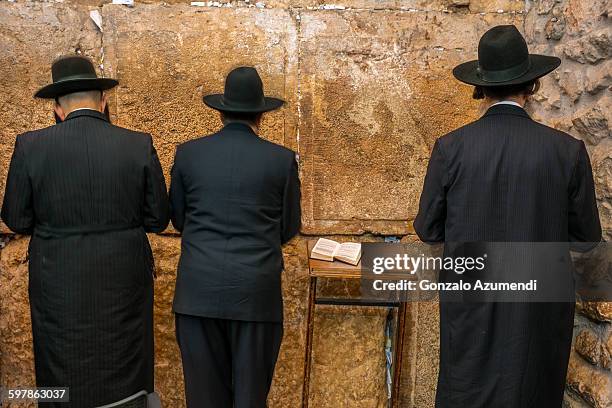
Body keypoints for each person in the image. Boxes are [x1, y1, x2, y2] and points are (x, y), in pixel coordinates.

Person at [414, 25, 601, 408]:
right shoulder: (567, 151)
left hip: (472, 303)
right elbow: (586, 238)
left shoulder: (451, 149)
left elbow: (428, 229)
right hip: (538, 309)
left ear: (480, 89)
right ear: (531, 86)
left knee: (467, 390)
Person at [1, 55, 169, 408]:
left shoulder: (30, 146)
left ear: (59, 109)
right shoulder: (138, 144)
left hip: (56, 281)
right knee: (127, 365)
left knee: (60, 367)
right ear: (103, 102)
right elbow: (157, 219)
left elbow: (15, 219)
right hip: (124, 280)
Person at [170, 66, 301, 408]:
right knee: (250, 398)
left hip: (198, 292)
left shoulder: (188, 154)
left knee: (203, 397)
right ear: (261, 115)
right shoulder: (281, 160)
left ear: (221, 111)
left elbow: (180, 218)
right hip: (256, 294)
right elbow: (288, 227)